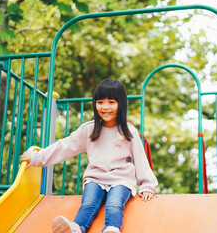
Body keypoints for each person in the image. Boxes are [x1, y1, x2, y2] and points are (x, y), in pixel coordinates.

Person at [21, 79, 158, 233]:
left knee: (114, 205)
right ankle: (76, 229)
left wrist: (146, 185)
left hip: (121, 179)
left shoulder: (128, 131)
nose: (105, 107)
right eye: (100, 102)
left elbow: (140, 159)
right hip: (96, 178)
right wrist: (36, 157)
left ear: (121, 104)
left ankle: (112, 229)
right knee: (88, 205)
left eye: (111, 102)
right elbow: (65, 146)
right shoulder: (89, 130)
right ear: (95, 104)